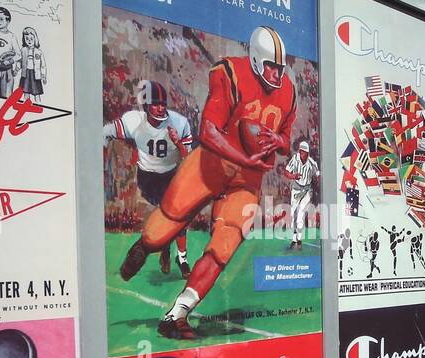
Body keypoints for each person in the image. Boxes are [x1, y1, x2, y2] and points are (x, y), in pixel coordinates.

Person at [118, 26, 297, 339]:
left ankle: (177, 315)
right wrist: (244, 157)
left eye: (280, 68)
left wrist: (276, 140)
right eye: (270, 65)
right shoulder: (230, 72)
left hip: (246, 182)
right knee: (161, 232)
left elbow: (286, 141)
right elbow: (209, 132)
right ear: (256, 60)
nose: (276, 73)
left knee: (222, 250)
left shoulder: (288, 92)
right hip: (208, 166)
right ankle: (146, 246)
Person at [104, 80, 194, 277]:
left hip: (171, 174)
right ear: (146, 105)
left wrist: (178, 143)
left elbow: (189, 159)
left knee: (178, 216)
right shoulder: (135, 120)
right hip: (148, 177)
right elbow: (107, 132)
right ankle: (167, 250)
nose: (161, 108)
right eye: (156, 103)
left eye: (163, 104)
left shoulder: (178, 122)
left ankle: (181, 256)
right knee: (170, 217)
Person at [280, 138, 319, 250]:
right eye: (300, 151)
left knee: (301, 214)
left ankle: (299, 239)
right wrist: (293, 176)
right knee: (292, 214)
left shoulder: (312, 163)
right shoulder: (295, 159)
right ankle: (294, 238)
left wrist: (318, 179)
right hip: (296, 189)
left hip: (307, 190)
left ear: (307, 153)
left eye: (302, 151)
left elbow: (318, 174)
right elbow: (286, 171)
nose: (300, 153)